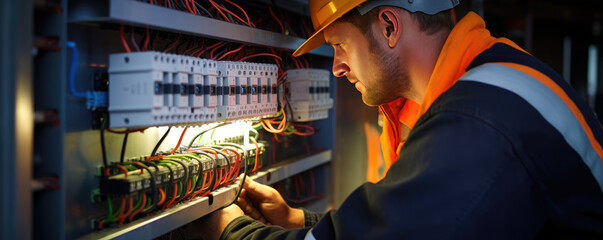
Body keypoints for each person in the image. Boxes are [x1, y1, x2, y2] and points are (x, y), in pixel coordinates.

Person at [195, 0, 603, 239]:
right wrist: (303, 221)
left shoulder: (479, 120)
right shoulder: (491, 78)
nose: (336, 67)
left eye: (340, 44)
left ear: (389, 25)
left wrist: (230, 229)